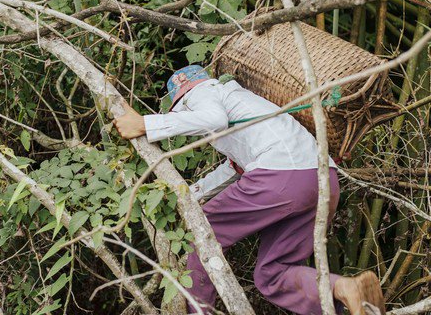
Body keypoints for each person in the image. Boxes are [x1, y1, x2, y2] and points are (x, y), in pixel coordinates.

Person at [113, 65, 385, 315]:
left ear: (183, 97)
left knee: (200, 231)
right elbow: (235, 168)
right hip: (323, 180)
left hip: (280, 176)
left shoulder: (204, 93)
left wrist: (146, 124)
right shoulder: (246, 106)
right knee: (274, 274)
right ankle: (345, 289)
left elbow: (213, 118)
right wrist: (190, 193)